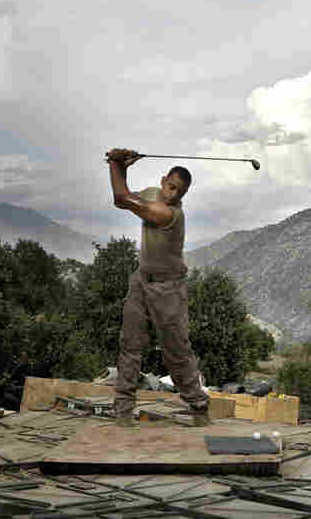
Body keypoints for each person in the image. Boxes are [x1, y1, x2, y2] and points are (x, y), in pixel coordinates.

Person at [105, 148, 210, 426]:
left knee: (177, 352)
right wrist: (122, 169)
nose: (174, 194)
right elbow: (122, 200)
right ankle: (123, 411)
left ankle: (199, 406)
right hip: (142, 280)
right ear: (164, 181)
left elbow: (121, 197)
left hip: (168, 288)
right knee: (130, 345)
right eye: (172, 186)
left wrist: (115, 163)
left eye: (180, 193)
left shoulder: (169, 214)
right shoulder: (152, 193)